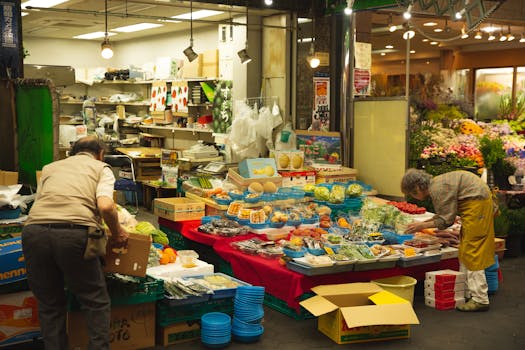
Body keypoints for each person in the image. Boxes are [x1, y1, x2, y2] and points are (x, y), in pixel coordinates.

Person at [22, 136, 129, 349]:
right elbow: (106, 206)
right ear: (100, 154)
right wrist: (117, 233)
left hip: (34, 232)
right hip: (74, 234)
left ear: (72, 153)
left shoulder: (50, 168)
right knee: (94, 300)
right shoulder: (101, 167)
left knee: (50, 304)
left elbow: (41, 201)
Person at [401, 168, 496, 312]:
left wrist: (422, 225)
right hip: (479, 205)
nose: (414, 197)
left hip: (477, 207)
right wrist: (426, 222)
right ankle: (468, 292)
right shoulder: (437, 183)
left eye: (412, 194)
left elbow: (446, 220)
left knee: (472, 251)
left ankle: (480, 299)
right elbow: (444, 214)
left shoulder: (437, 189)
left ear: (417, 188)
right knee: (466, 249)